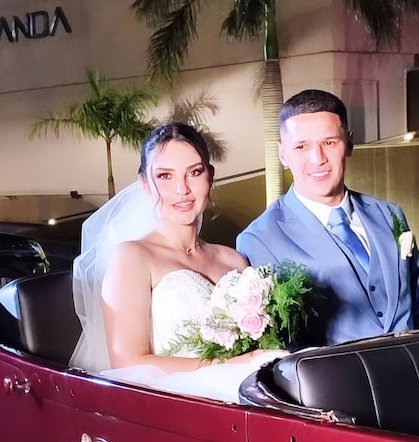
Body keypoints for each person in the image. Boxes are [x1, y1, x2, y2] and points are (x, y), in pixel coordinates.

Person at [69, 122, 282, 401]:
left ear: (210, 177)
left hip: (243, 397)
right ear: (145, 184)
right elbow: (128, 363)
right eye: (165, 176)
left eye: (194, 172)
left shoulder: (233, 260)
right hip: (172, 403)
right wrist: (231, 367)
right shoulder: (133, 257)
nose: (182, 189)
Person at [237, 89, 419, 346]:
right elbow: (279, 344)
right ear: (283, 154)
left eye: (329, 142)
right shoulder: (259, 239)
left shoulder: (389, 214)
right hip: (336, 382)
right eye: (302, 146)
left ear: (349, 143)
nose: (318, 159)